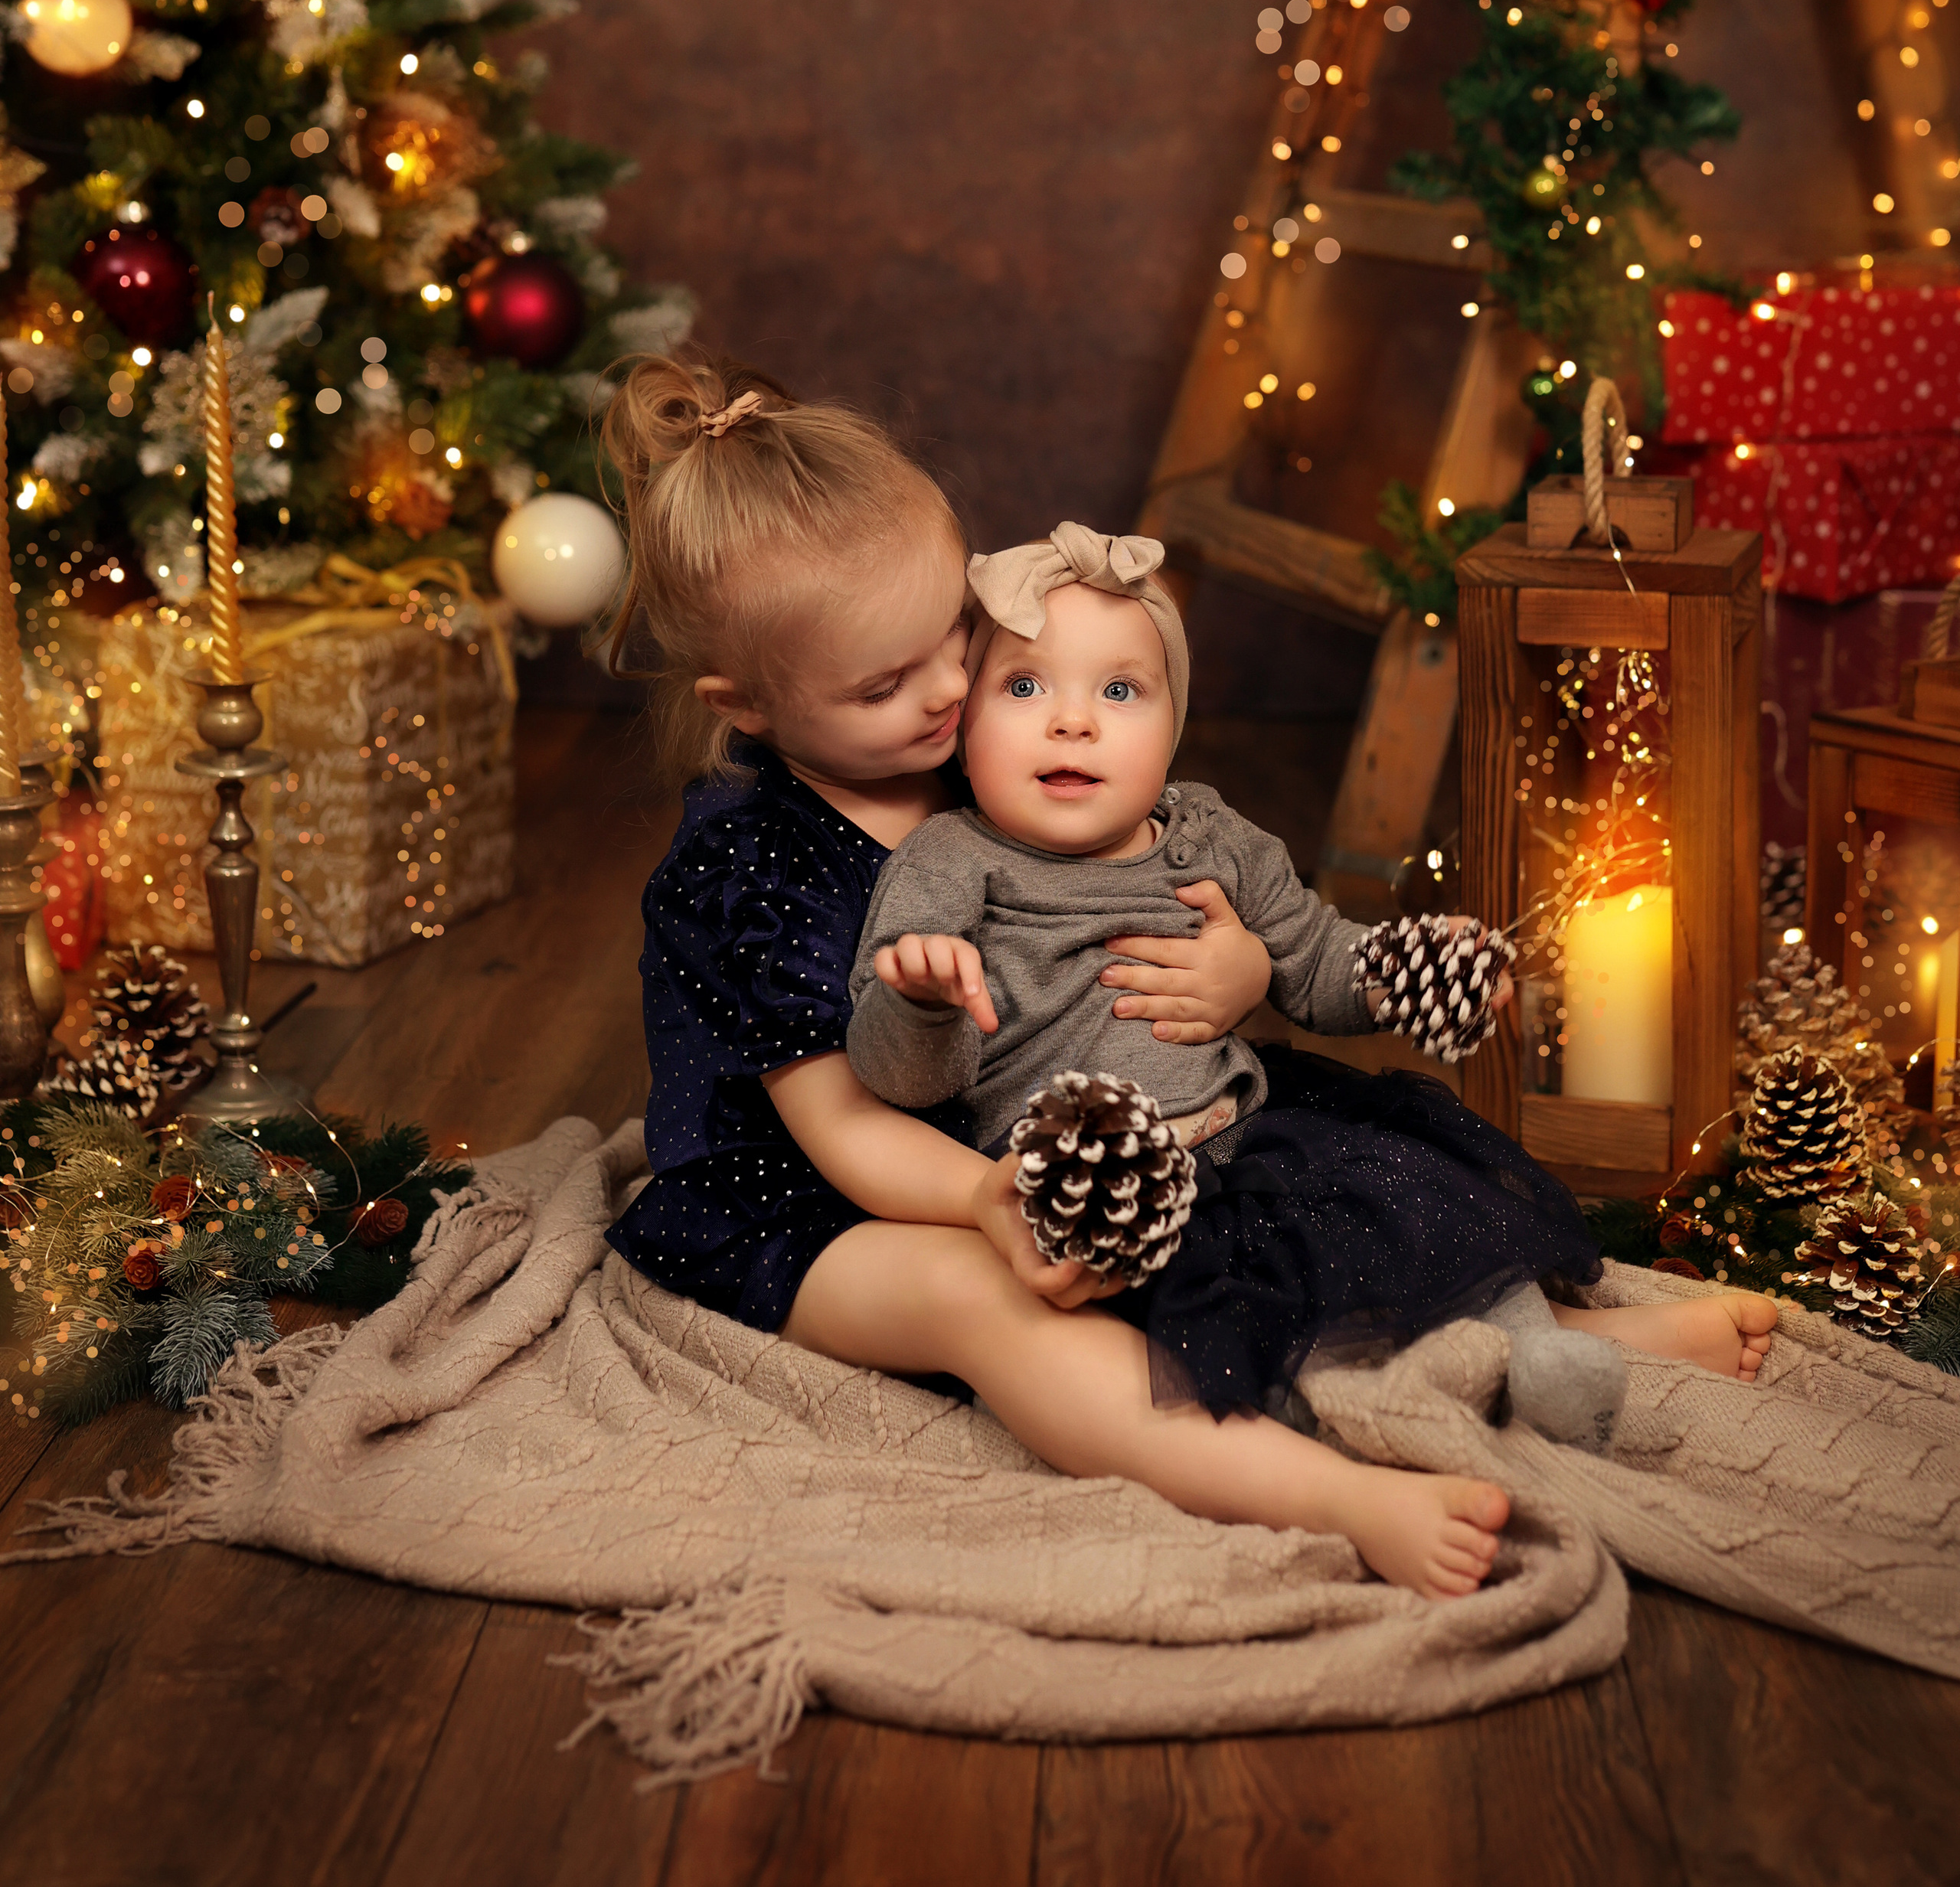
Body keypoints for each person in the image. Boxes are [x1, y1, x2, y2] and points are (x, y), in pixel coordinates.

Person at [599, 355, 1775, 1601]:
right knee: (984, 1300)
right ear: (750, 709)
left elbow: (1151, 863)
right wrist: (992, 1201)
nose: (951, 688)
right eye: (887, 682)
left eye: (953, 636)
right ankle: (1329, 1491)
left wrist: (1242, 968)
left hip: (1055, 1119)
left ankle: (1535, 1336)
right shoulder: (747, 862)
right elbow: (839, 1124)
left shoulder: (976, 744)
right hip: (820, 1198)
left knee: (1277, 1159)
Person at [844, 521, 1723, 1447]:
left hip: (1257, 1133)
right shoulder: (951, 860)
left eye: (1119, 690)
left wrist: (1409, 973)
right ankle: (1384, 1408)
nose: (1074, 719)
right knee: (1244, 1329)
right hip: (1107, 1200)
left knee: (1410, 1205)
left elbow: (1318, 962)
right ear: (963, 725)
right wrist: (919, 999)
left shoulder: (1211, 836)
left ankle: (1542, 1355)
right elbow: (902, 1081)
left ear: (1173, 723)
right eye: (1023, 687)